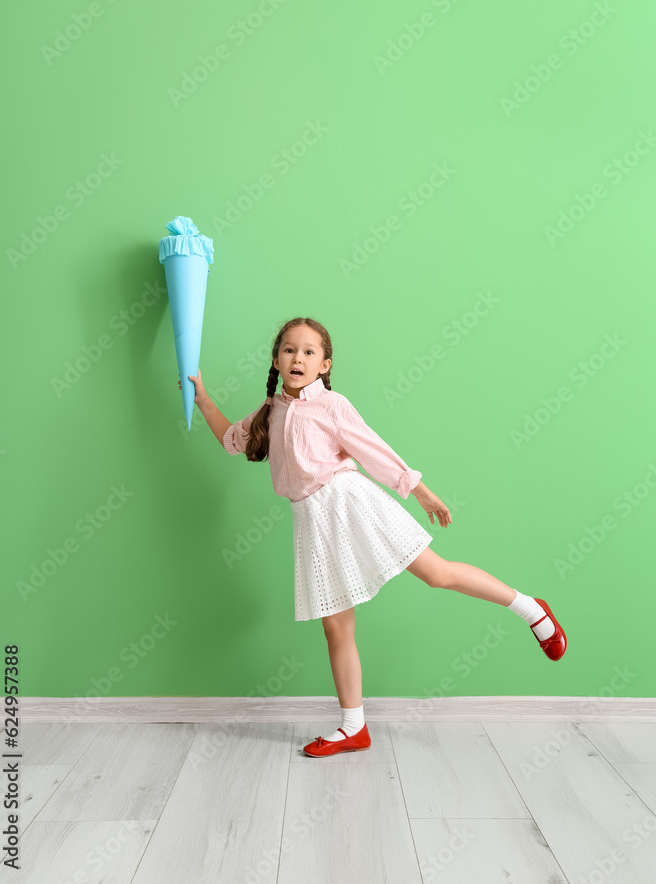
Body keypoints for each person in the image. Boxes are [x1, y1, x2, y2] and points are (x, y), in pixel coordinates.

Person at [180, 317, 567, 758]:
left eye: (309, 352)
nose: (298, 358)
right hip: (311, 522)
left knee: (437, 574)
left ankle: (531, 608)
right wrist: (204, 400)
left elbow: (372, 448)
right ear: (275, 359)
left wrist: (419, 491)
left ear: (324, 364)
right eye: (289, 350)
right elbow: (233, 440)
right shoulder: (270, 410)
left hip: (350, 504)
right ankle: (353, 727)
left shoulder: (332, 405)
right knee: (336, 627)